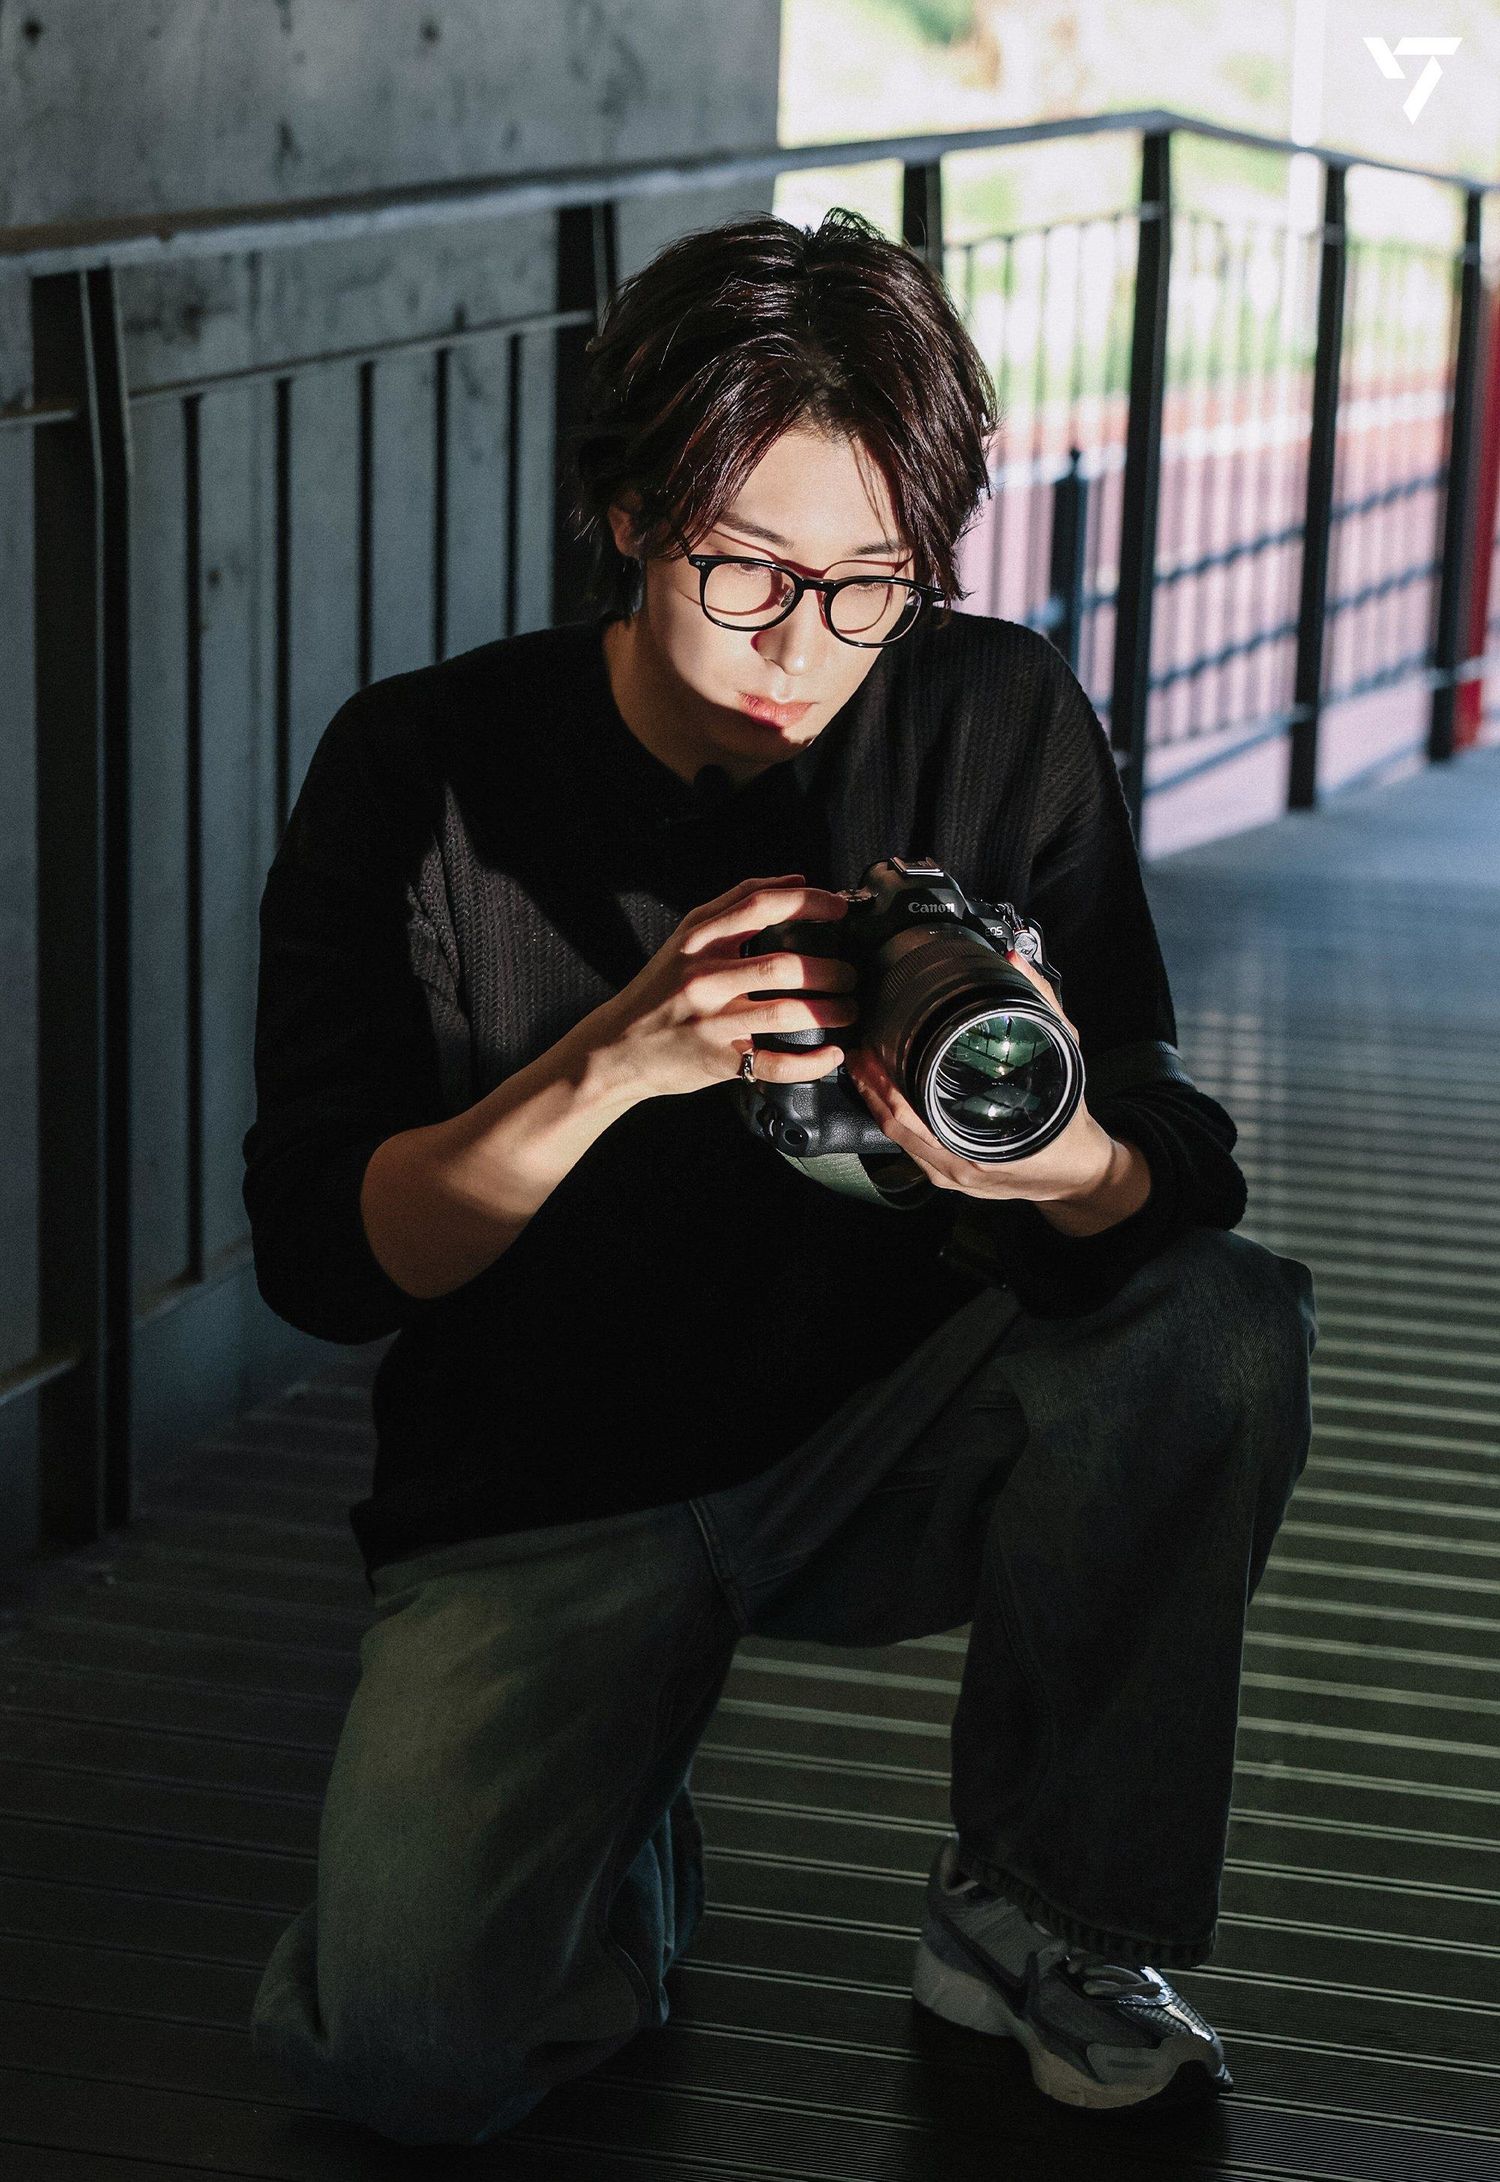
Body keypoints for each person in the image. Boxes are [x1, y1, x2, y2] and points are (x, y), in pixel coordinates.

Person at [242, 208, 1317, 2145]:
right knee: (406, 2057)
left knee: (1215, 1328)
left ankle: (1040, 1915)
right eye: (746, 568)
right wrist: (618, 1054)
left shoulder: (990, 712)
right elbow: (327, 1254)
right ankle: (621, 1834)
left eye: (871, 584)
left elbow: (1174, 1168)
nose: (804, 646)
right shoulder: (422, 767)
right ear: (629, 513)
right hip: (549, 1477)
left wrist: (1046, 1148)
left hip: (887, 1435)